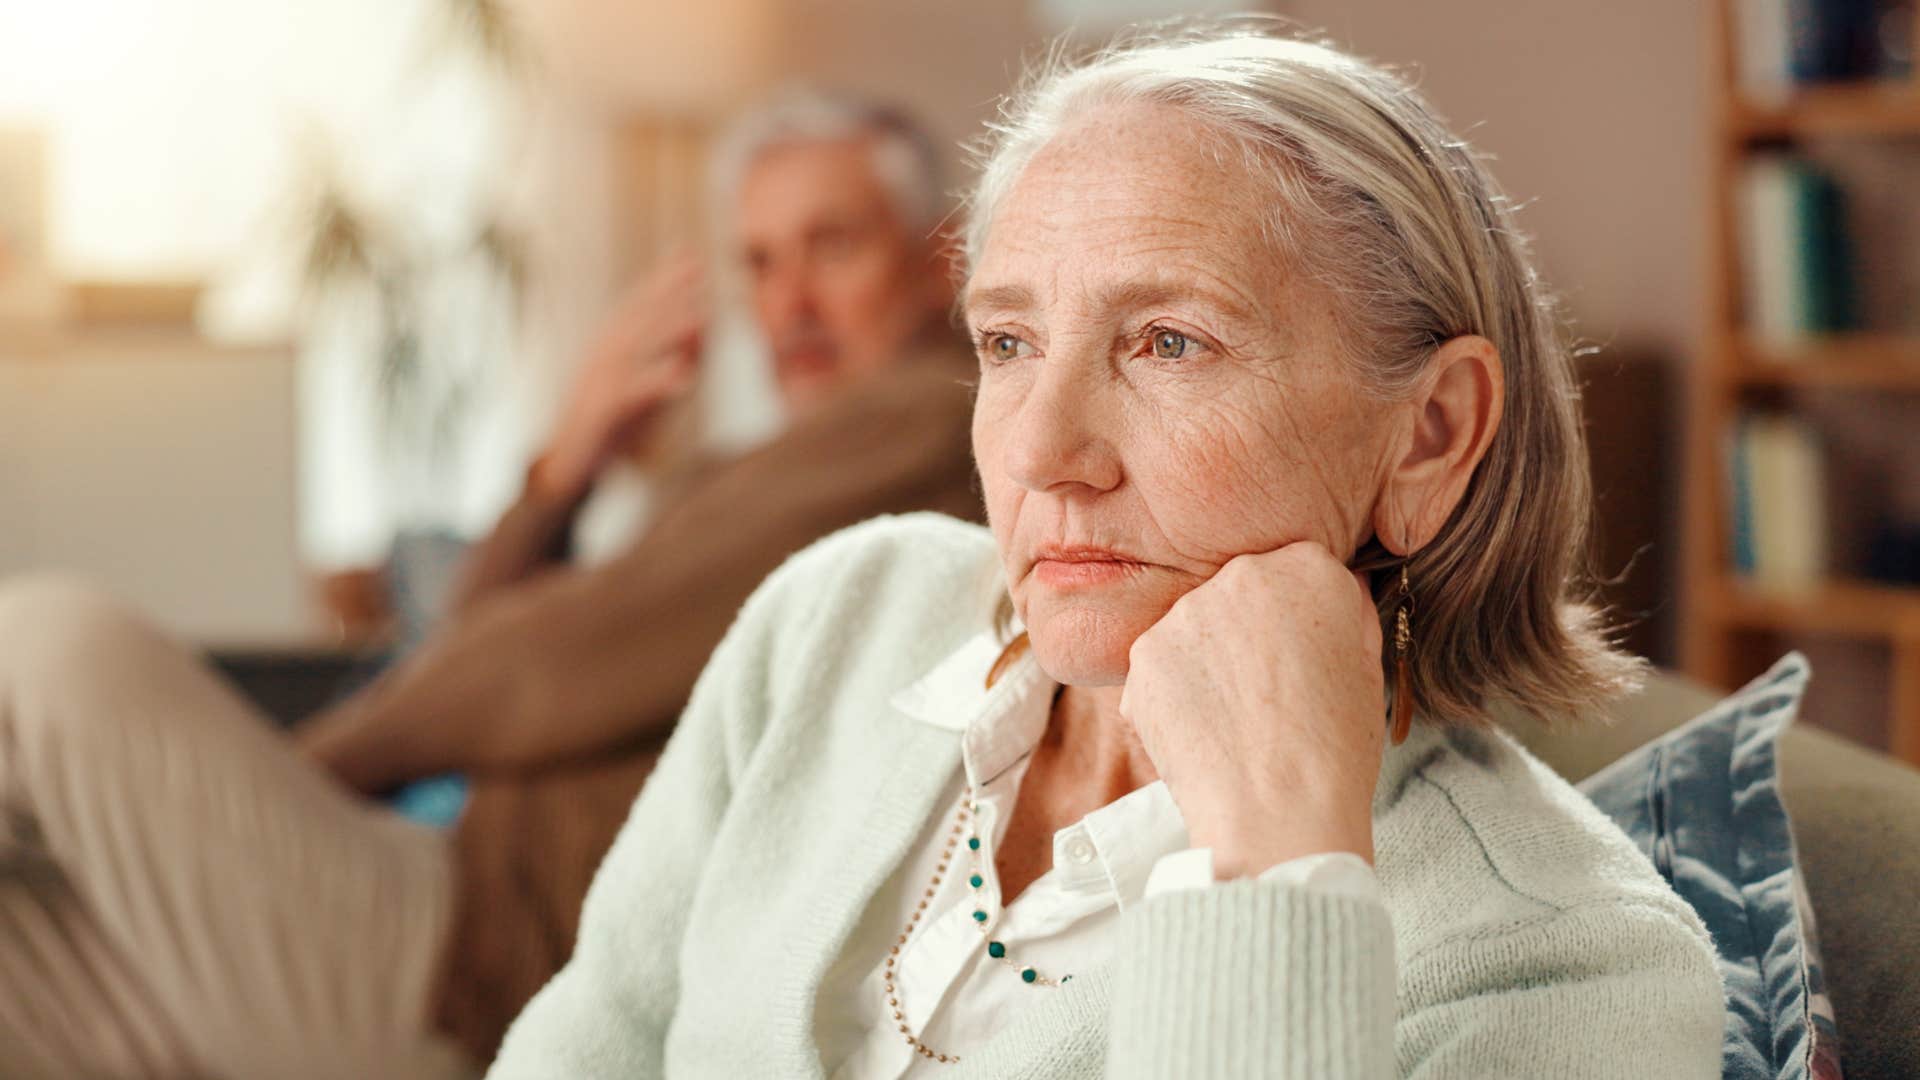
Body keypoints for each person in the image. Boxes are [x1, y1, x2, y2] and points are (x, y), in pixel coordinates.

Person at [489, 25, 1727, 1079]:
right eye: (1010, 344)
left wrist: (1275, 870)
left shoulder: (1573, 969)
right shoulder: (834, 614)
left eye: (1168, 343)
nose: (1041, 452)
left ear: (1430, 433)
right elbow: (591, 1038)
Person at [0, 94, 979, 1078]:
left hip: (466, 964)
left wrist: (291, 777)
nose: (789, 305)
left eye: (832, 248)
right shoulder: (756, 463)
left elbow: (549, 663)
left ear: (941, 258)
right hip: (437, 913)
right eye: (760, 263)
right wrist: (565, 469)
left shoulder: (925, 424)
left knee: (49, 646)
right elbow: (477, 651)